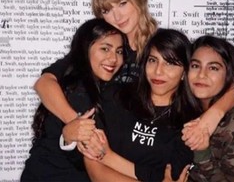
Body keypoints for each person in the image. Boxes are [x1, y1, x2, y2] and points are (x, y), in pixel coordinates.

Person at [34, 0, 234, 155]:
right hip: (98, 153)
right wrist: (76, 123)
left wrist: (213, 115)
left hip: (150, 150)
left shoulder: (162, 45)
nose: (116, 16)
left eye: (122, 3)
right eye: (106, 10)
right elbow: (44, 83)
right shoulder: (103, 48)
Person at [82, 28, 200, 182]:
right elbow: (93, 164)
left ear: (185, 72)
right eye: (153, 60)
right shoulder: (116, 97)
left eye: (170, 63)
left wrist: (109, 157)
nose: (158, 71)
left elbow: (172, 176)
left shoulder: (191, 122)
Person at [20, 18, 126, 181]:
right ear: (85, 49)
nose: (113, 59)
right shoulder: (80, 92)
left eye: (119, 51)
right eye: (105, 49)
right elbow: (87, 157)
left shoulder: (77, 78)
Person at [183, 35, 234, 181]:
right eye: (195, 66)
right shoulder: (190, 106)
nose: (201, 75)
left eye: (213, 68)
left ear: (228, 75)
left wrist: (203, 154)